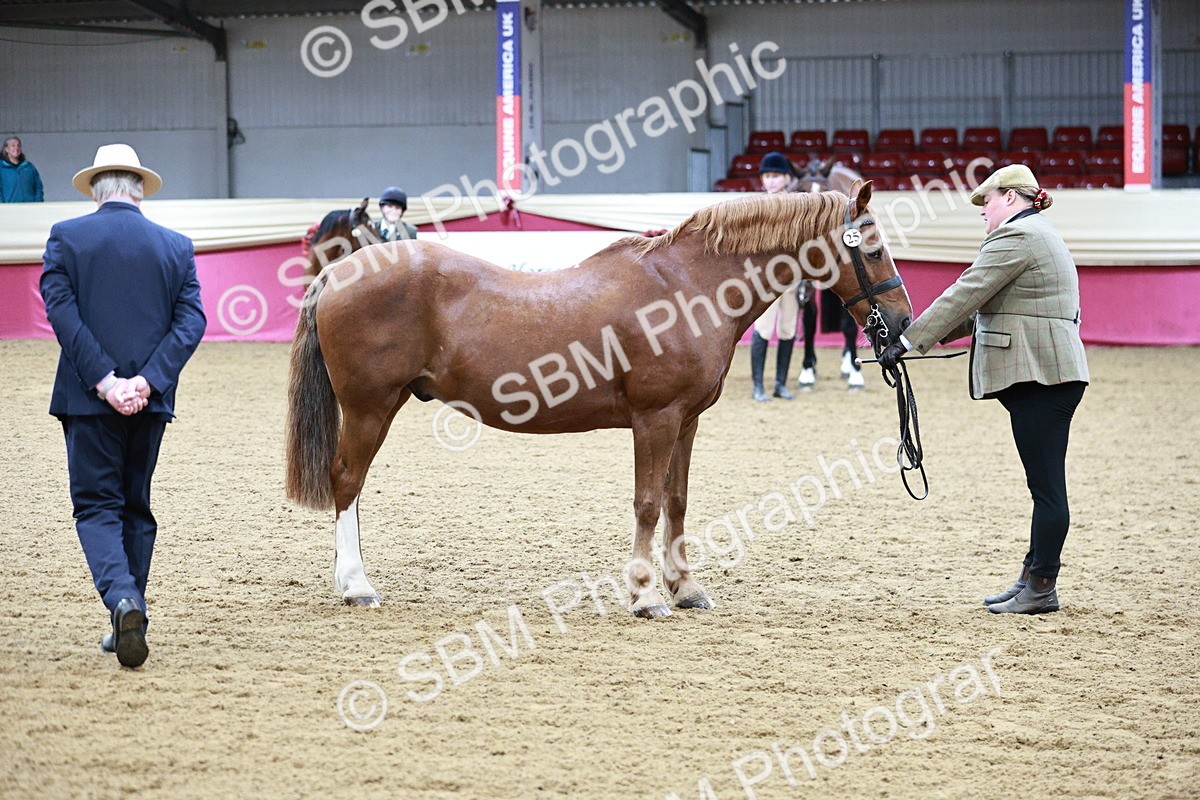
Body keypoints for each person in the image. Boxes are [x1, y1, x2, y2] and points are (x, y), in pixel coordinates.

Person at [878, 164, 1089, 615]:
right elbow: (981, 309)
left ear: (1011, 198)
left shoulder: (1018, 237)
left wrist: (907, 339)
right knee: (1043, 486)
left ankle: (1042, 587)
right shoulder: (1035, 233)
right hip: (1046, 373)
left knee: (1048, 489)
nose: (982, 212)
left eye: (987, 201)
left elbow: (966, 292)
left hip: (1042, 375)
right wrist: (915, 341)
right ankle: (1031, 579)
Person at [40, 144, 206, 667]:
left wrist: (105, 382)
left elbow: (62, 313)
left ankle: (122, 600)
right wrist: (148, 383)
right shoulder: (176, 246)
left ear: (96, 190)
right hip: (150, 404)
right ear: (138, 190)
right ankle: (133, 611)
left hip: (89, 402)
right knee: (136, 506)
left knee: (96, 506)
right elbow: (192, 321)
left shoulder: (66, 237)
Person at [748, 152, 800, 402]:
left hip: (792, 278)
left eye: (776, 176)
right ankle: (758, 385)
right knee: (764, 329)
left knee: (788, 330)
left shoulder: (797, 207)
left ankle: (780, 383)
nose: (771, 181)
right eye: (768, 176)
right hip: (767, 280)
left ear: (786, 178)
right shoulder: (757, 208)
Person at [1, 136, 44, 202]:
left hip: (29, 208)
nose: (16, 148)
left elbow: (38, 186)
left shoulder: (29, 167)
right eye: (13, 145)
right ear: (6, 149)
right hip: (9, 209)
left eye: (18, 146)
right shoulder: (2, 168)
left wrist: (38, 202)